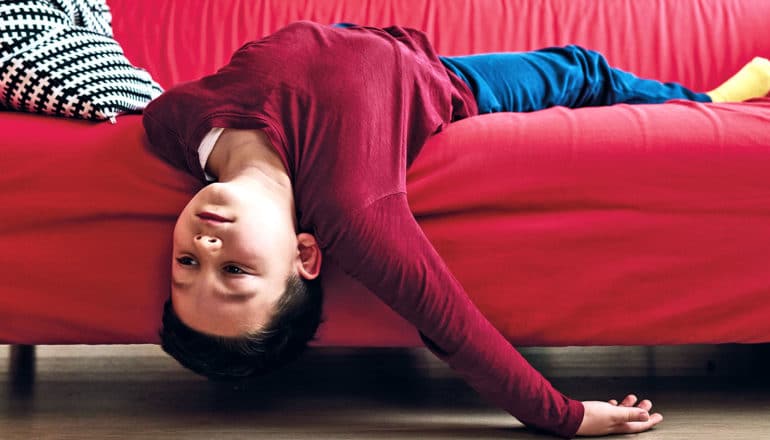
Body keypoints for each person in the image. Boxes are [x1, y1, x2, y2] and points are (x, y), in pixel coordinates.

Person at [142, 21, 770, 438]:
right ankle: (716, 103)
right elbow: (449, 322)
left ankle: (709, 96)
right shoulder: (353, 207)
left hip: (399, 47)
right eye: (236, 272)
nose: (205, 245)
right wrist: (566, 417)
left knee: (585, 66)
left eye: (187, 268)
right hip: (448, 83)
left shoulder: (170, 123)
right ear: (306, 254)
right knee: (582, 70)